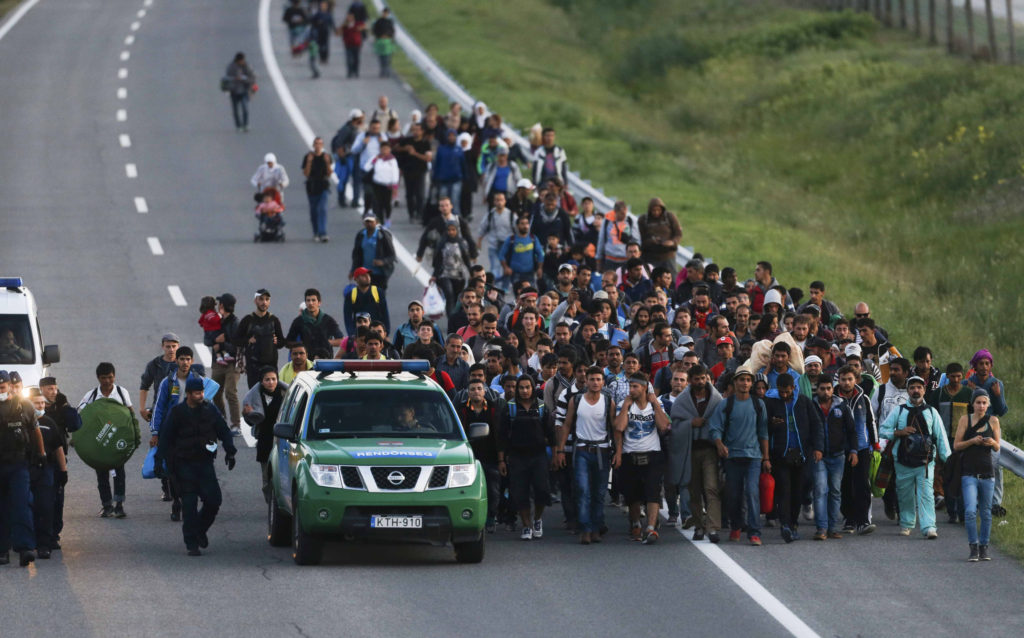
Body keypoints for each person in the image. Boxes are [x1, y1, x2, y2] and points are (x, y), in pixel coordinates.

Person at [156, 377, 237, 556]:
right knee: (189, 505)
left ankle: (200, 530)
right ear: (189, 394)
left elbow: (223, 430)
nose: (200, 396)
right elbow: (166, 438)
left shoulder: (210, 410)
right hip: (184, 465)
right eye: (197, 393)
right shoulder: (177, 413)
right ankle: (191, 542)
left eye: (201, 392)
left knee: (214, 501)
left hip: (205, 463)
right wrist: (158, 461)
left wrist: (230, 451)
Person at [879, 375, 951, 539]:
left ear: (924, 390)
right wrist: (898, 432)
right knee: (905, 495)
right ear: (908, 391)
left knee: (926, 495)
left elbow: (940, 437)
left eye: (919, 387)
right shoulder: (899, 410)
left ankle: (929, 527)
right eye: (912, 388)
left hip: (925, 463)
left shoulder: (932, 412)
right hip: (903, 461)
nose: (915, 390)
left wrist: (948, 460)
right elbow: (883, 430)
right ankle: (906, 524)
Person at [708, 369, 769, 546]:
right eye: (741, 380)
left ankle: (754, 532)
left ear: (751, 383)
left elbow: (763, 433)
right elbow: (715, 427)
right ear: (735, 383)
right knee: (733, 495)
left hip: (753, 457)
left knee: (751, 492)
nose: (745, 383)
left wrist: (766, 458)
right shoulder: (726, 404)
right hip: (732, 456)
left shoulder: (759, 404)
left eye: (748, 380)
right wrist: (719, 444)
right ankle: (736, 526)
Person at [556, 367, 613, 544]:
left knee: (599, 492)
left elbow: (614, 428)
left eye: (598, 379)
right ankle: (585, 528)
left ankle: (596, 527)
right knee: (582, 490)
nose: (595, 382)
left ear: (603, 382)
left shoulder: (608, 401)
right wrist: (560, 450)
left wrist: (618, 451)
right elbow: (566, 424)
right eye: (592, 379)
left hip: (602, 451)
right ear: (585, 381)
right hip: (581, 450)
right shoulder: (577, 400)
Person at [765, 373, 823, 543]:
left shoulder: (804, 402)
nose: (783, 395)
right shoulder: (771, 402)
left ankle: (794, 523)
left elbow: (816, 425)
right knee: (784, 490)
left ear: (793, 388)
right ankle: (785, 525)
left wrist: (818, 447)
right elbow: (763, 427)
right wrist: (771, 423)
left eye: (786, 391)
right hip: (780, 454)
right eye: (781, 391)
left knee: (798, 491)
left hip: (802, 454)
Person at [613, 372, 669, 544]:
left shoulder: (656, 403)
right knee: (633, 494)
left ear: (644, 388)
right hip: (630, 453)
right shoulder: (625, 404)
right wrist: (625, 407)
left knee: (653, 492)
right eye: (630, 386)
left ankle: (651, 528)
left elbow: (664, 426)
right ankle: (636, 523)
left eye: (635, 386)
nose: (631, 390)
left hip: (652, 452)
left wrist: (655, 404)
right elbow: (619, 427)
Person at [496, 376, 555, 541]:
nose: (524, 391)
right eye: (521, 388)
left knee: (542, 490)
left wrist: (556, 454)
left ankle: (537, 519)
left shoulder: (542, 407)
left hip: (539, 456)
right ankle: (526, 525)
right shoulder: (510, 408)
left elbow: (551, 433)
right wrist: (501, 460)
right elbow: (501, 436)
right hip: (517, 457)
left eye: (527, 387)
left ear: (532, 388)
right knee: (519, 492)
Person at [78, 362, 139, 519]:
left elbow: (130, 413)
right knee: (101, 474)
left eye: (110, 377)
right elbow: (80, 416)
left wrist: (135, 436)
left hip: (118, 440)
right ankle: (106, 505)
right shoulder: (91, 395)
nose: (107, 381)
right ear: (98, 378)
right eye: (104, 378)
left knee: (119, 473)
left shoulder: (121, 392)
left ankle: (119, 505)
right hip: (99, 443)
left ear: (114, 376)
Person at [670, 364, 724, 542]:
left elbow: (721, 421)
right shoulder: (682, 401)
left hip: (709, 449)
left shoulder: (716, 399)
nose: (700, 382)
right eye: (697, 379)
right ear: (691, 381)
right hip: (690, 449)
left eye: (703, 378)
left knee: (711, 488)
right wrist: (690, 423)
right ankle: (699, 526)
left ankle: (713, 527)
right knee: (694, 489)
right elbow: (675, 425)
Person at [0, 370, 44, 566]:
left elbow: (35, 431)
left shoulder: (24, 406)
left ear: (10, 385)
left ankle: (25, 548)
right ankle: (2, 551)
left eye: (2, 387)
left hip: (19, 464)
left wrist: (41, 454)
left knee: (22, 505)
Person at [952, 388, 1001, 562]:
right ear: (972, 404)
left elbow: (997, 447)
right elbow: (957, 445)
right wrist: (972, 441)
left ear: (988, 405)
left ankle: (984, 547)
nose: (981, 406)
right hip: (969, 473)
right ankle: (973, 546)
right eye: (978, 402)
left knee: (986, 513)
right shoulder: (965, 419)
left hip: (988, 473)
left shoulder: (993, 421)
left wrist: (992, 442)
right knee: (971, 511)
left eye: (984, 402)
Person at [811, 376, 856, 541]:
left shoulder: (842, 406)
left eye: (829, 388)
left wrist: (854, 450)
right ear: (817, 389)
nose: (826, 392)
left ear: (833, 388)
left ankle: (832, 527)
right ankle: (821, 528)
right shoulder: (812, 406)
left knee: (835, 492)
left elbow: (851, 430)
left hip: (838, 456)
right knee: (821, 490)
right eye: (822, 388)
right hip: (819, 456)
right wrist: (815, 448)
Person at [965, 349, 1009, 516]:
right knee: (974, 465)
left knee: (995, 466)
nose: (983, 367)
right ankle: (975, 503)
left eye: (987, 363)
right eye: (980, 363)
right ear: (975, 365)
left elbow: (1002, 410)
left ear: (991, 365)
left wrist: (997, 396)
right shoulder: (967, 383)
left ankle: (995, 503)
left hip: (992, 428)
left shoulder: (996, 384)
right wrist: (972, 391)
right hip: (973, 429)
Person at [456, 379, 502, 532]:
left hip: (491, 457)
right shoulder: (461, 410)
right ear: (468, 393)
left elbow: (500, 434)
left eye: (479, 388)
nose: (476, 391)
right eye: (472, 389)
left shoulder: (494, 409)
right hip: (468, 458)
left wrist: (501, 459)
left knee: (493, 490)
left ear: (484, 391)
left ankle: (490, 519)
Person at [40, 376, 79, 549]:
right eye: (49, 388)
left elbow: (76, 424)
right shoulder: (36, 408)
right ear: (41, 390)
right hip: (38, 461)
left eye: (55, 388)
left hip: (58, 459)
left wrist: (66, 407)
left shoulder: (61, 407)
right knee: (40, 499)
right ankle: (40, 533)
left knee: (57, 498)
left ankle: (54, 534)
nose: (53, 392)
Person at [27, 389, 64, 559]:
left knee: (46, 506)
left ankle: (44, 543)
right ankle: (27, 541)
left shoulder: (50, 422)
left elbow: (58, 448)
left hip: (46, 469)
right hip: (26, 468)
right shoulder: (22, 421)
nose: (40, 406)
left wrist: (63, 471)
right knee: (27, 506)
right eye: (36, 403)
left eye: (42, 403)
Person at [242, 368, 289, 502]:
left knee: (281, 474)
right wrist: (248, 414)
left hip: (282, 439)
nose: (271, 382)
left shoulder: (285, 394)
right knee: (266, 474)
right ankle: (270, 500)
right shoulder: (255, 396)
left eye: (273, 379)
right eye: (267, 379)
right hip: (265, 439)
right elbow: (252, 422)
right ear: (261, 382)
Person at [235, 289, 286, 390]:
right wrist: (248, 341)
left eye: (267, 299)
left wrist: (277, 342)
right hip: (253, 367)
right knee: (255, 395)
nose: (264, 302)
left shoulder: (274, 320)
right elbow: (236, 340)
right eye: (261, 299)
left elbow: (282, 342)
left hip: (271, 367)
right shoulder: (247, 320)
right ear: (255, 301)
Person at [209, 294, 241, 435]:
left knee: (230, 392)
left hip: (232, 364)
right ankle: (221, 419)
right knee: (214, 392)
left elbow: (237, 346)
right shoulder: (217, 321)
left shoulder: (235, 323)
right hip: (217, 363)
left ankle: (236, 425)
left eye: (220, 303)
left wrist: (221, 343)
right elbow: (209, 338)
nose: (218, 306)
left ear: (223, 305)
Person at [286, 288, 342, 361]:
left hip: (325, 360)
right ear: (305, 303)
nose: (311, 303)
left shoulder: (328, 320)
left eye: (313, 300)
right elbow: (288, 342)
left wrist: (326, 342)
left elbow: (341, 340)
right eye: (308, 300)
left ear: (319, 303)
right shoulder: (298, 321)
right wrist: (302, 345)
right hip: (306, 363)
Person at [432, 220, 473, 318]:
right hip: (445, 274)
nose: (451, 232)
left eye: (453, 230)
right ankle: (450, 318)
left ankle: (455, 318)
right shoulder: (442, 243)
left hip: (459, 275)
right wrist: (434, 275)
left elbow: (466, 259)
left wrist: (471, 272)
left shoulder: (461, 243)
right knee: (449, 294)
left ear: (457, 230)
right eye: (449, 230)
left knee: (457, 298)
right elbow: (438, 260)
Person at [394, 122, 432, 221]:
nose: (415, 132)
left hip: (420, 171)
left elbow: (427, 158)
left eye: (418, 130)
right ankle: (411, 214)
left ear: (422, 131)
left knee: (420, 194)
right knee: (409, 194)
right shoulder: (406, 140)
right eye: (414, 130)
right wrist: (404, 148)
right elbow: (396, 148)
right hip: (407, 170)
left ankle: (420, 213)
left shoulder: (425, 143)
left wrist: (415, 153)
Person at [139, 333, 181, 423]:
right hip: (159, 408)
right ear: (163, 346)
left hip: (179, 408)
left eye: (174, 346)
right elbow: (144, 387)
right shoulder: (154, 364)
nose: (171, 350)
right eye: (168, 347)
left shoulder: (183, 364)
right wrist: (142, 409)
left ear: (178, 346)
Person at [330, 109, 365, 207]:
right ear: (356, 118)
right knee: (344, 179)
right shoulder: (347, 129)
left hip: (356, 157)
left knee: (357, 180)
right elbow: (339, 143)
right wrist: (342, 157)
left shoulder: (356, 128)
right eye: (360, 118)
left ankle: (355, 200)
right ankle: (341, 200)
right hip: (348, 158)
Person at [302, 136, 334, 243]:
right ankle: (315, 232)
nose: (318, 145)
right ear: (313, 145)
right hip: (312, 186)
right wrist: (309, 162)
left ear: (323, 145)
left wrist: (327, 162)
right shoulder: (308, 156)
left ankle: (323, 232)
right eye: (316, 143)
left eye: (320, 143)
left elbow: (329, 174)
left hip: (323, 186)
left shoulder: (327, 156)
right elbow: (306, 174)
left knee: (322, 209)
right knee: (314, 211)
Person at [343, 267, 390, 336]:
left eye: (368, 275)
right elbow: (347, 317)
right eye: (363, 275)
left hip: (375, 331)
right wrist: (351, 334)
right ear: (356, 279)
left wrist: (386, 332)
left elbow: (385, 313)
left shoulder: (378, 292)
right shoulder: (350, 295)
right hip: (359, 332)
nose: (367, 277)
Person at [500, 214, 544, 287]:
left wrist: (540, 268)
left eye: (527, 223)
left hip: (530, 273)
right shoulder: (511, 239)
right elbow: (501, 255)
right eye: (522, 224)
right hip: (515, 274)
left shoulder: (533, 238)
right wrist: (506, 268)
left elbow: (540, 254)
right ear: (517, 226)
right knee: (518, 295)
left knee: (530, 294)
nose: (525, 226)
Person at [224, 52, 255, 132]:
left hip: (244, 90)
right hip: (234, 91)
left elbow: (252, 77)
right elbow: (227, 78)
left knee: (245, 108)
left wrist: (245, 80)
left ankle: (245, 125)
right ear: (238, 60)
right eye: (242, 60)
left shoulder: (246, 66)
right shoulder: (231, 67)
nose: (243, 62)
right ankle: (238, 126)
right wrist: (235, 79)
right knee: (235, 110)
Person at [372, 6, 395, 77]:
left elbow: (392, 31)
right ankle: (382, 71)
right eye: (384, 13)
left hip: (388, 41)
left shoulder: (390, 22)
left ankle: (387, 72)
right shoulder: (379, 21)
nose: (385, 14)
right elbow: (375, 30)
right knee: (381, 58)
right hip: (380, 40)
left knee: (388, 58)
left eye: (386, 13)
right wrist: (380, 36)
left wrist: (388, 36)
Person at [339, 11, 364, 78]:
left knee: (356, 59)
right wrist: (343, 26)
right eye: (348, 17)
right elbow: (338, 33)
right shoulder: (345, 25)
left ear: (353, 17)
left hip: (356, 44)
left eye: (351, 17)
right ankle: (349, 72)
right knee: (349, 59)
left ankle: (355, 71)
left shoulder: (357, 23)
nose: (349, 18)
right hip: (348, 44)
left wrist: (360, 28)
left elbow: (363, 27)